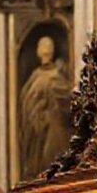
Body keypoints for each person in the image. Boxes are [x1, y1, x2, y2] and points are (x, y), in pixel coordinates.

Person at [19, 36, 72, 179]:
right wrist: (37, 114)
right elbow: (27, 103)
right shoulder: (35, 77)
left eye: (49, 47)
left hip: (55, 128)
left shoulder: (57, 76)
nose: (46, 50)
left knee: (54, 158)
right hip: (38, 131)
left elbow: (68, 102)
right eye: (43, 47)